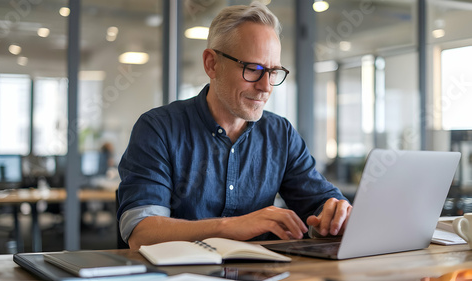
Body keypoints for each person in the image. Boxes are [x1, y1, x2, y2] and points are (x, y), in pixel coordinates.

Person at [117, 2, 352, 250]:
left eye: (273, 71)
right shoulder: (159, 128)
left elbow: (319, 202)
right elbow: (141, 231)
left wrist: (334, 214)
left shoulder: (280, 134)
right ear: (212, 64)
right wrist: (229, 227)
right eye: (253, 69)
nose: (266, 87)